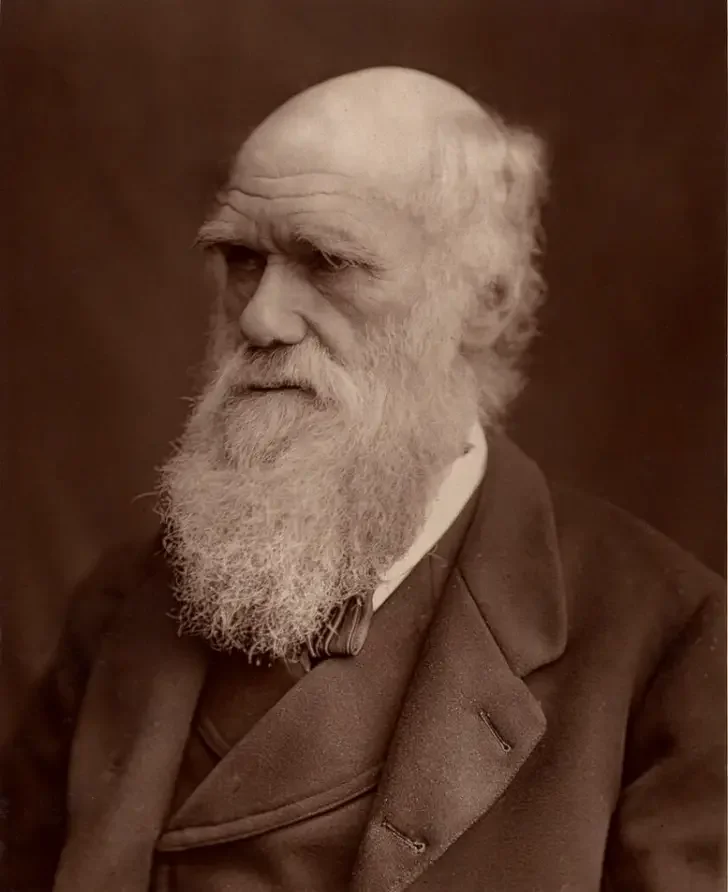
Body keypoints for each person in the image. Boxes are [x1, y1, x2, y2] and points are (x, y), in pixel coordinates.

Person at [1, 66, 724, 892]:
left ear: (483, 301)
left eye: (329, 262)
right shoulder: (116, 606)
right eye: (241, 258)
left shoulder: (673, 646)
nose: (261, 317)